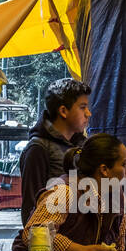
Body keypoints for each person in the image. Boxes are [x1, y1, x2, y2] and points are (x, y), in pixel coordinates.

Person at [13, 133, 126, 251]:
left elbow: (118, 244)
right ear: (104, 169)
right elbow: (34, 233)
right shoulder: (65, 191)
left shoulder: (118, 197)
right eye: (123, 164)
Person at [19, 77, 90, 227]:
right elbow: (31, 211)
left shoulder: (82, 145)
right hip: (54, 243)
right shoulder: (38, 149)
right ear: (63, 111)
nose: (88, 113)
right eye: (82, 107)